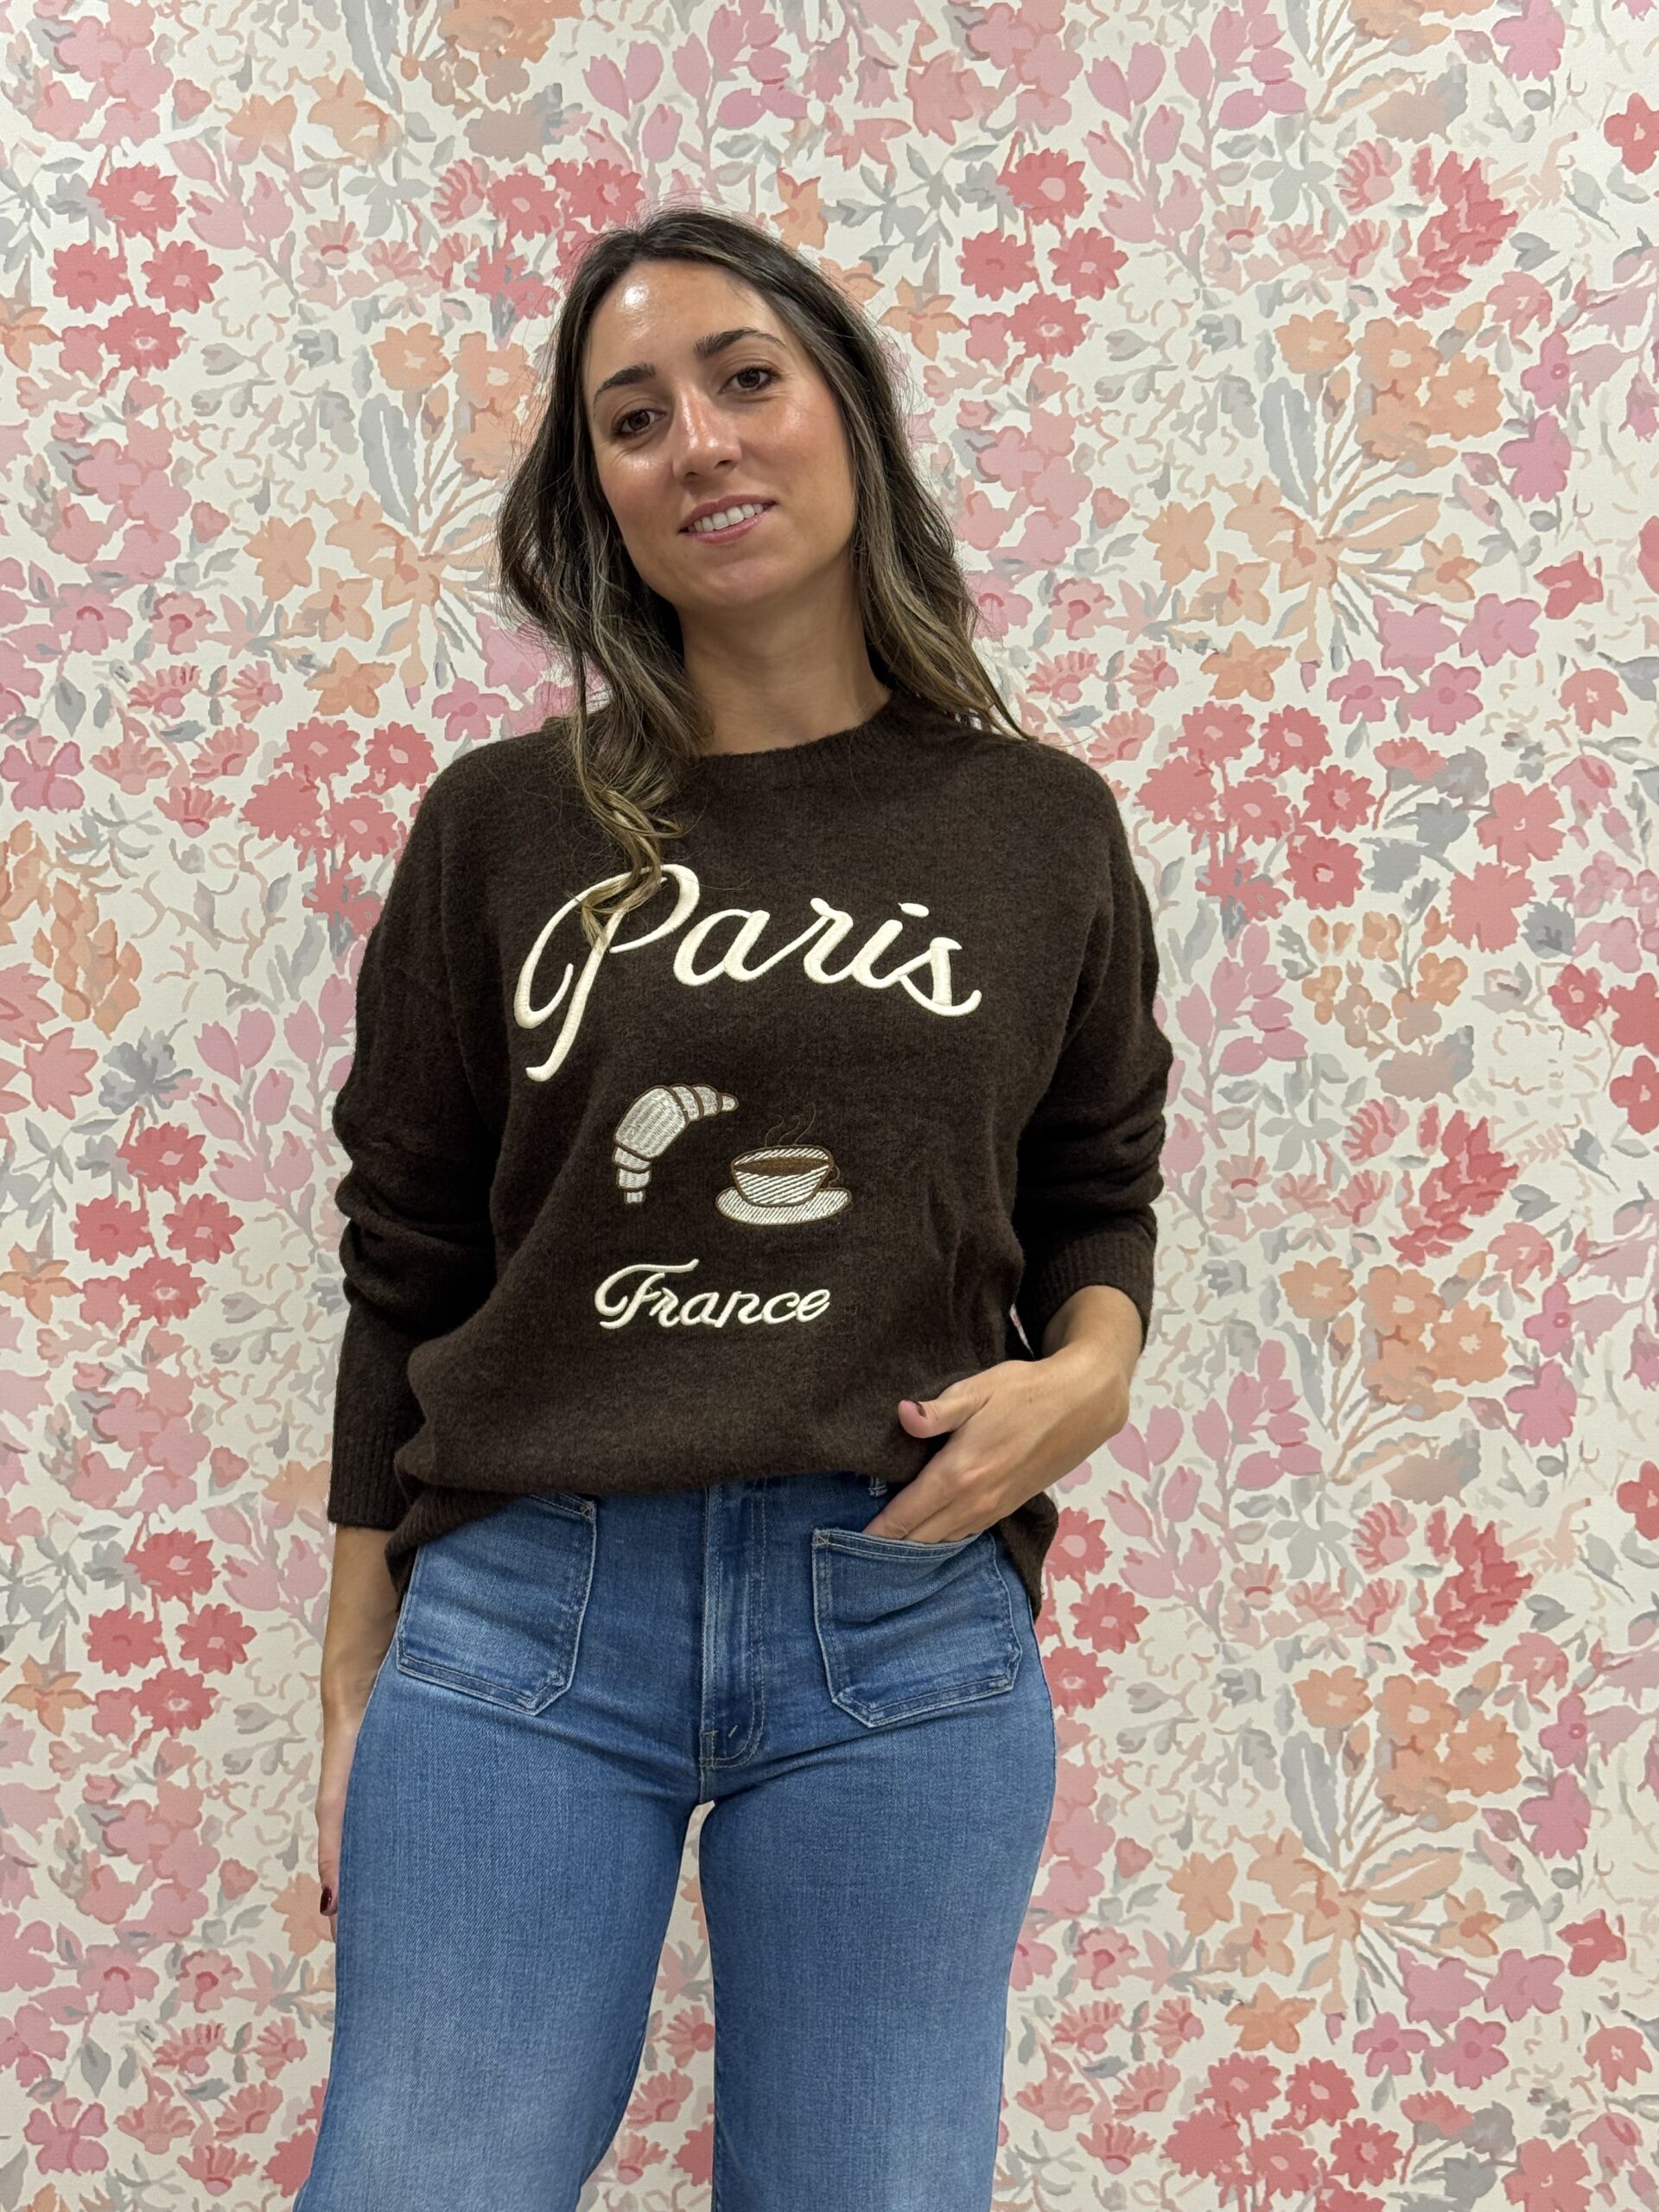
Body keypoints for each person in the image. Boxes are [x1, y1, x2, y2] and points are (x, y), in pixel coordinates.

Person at [298, 203, 1173, 2212]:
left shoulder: (1035, 825)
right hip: (525, 1617)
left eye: (744, 377)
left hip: (898, 1616)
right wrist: (352, 1684)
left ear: (845, 411)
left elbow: (1093, 1180)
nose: (697, 439)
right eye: (632, 415)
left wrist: (1095, 1368)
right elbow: (406, 1258)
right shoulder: (504, 826)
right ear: (597, 492)